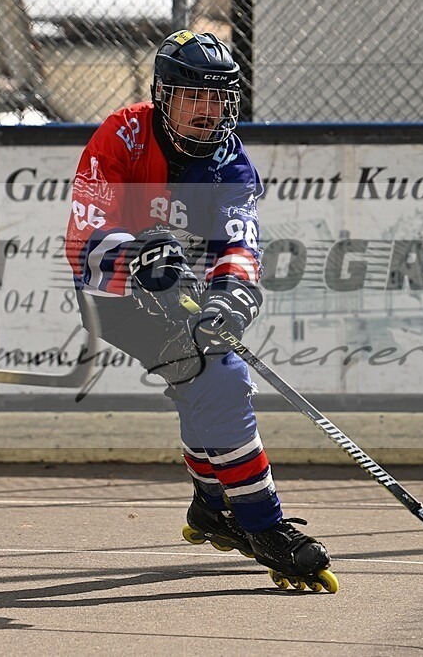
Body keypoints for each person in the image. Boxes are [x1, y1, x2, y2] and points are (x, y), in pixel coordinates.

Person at [65, 30, 337, 592]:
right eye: (192, 96)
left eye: (217, 98)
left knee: (208, 377)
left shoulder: (231, 164)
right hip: (114, 295)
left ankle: (213, 505)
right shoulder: (123, 134)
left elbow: (239, 245)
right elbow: (84, 236)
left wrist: (230, 300)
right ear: (163, 96)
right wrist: (140, 252)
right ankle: (261, 524)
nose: (206, 111)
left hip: (186, 290)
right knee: (221, 378)